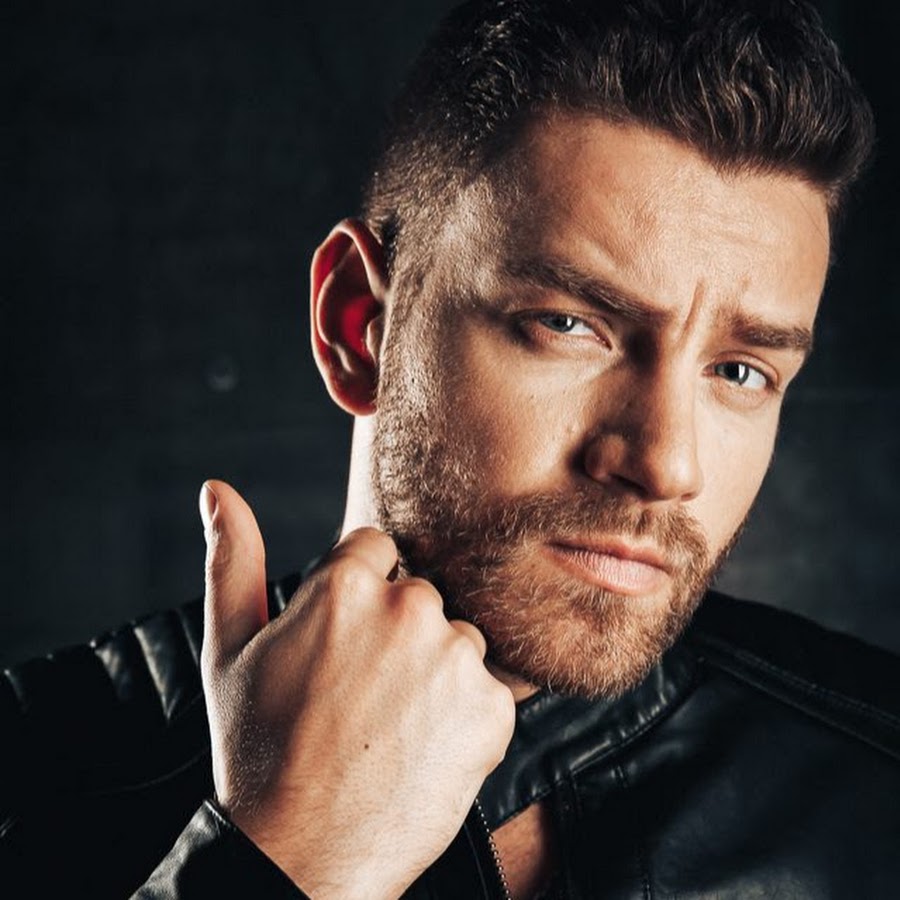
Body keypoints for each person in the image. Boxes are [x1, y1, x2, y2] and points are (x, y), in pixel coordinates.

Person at [2, 0, 898, 897]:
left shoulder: (875, 786)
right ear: (361, 327)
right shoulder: (31, 778)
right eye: (568, 325)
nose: (666, 465)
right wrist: (286, 857)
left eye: (740, 372)